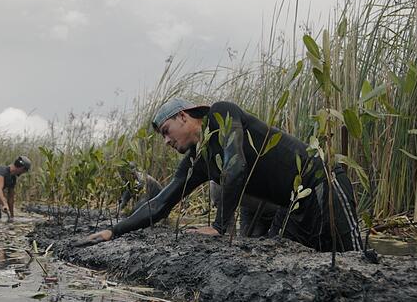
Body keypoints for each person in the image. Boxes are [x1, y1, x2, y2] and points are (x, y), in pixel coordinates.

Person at [80, 98, 362, 252]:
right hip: (292, 208)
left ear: (183, 117)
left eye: (166, 131)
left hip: (323, 182)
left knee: (352, 259)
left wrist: (218, 227)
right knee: (289, 262)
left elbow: (235, 166)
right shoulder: (199, 160)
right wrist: (113, 231)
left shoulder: (221, 114)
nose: (166, 141)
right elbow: (162, 202)